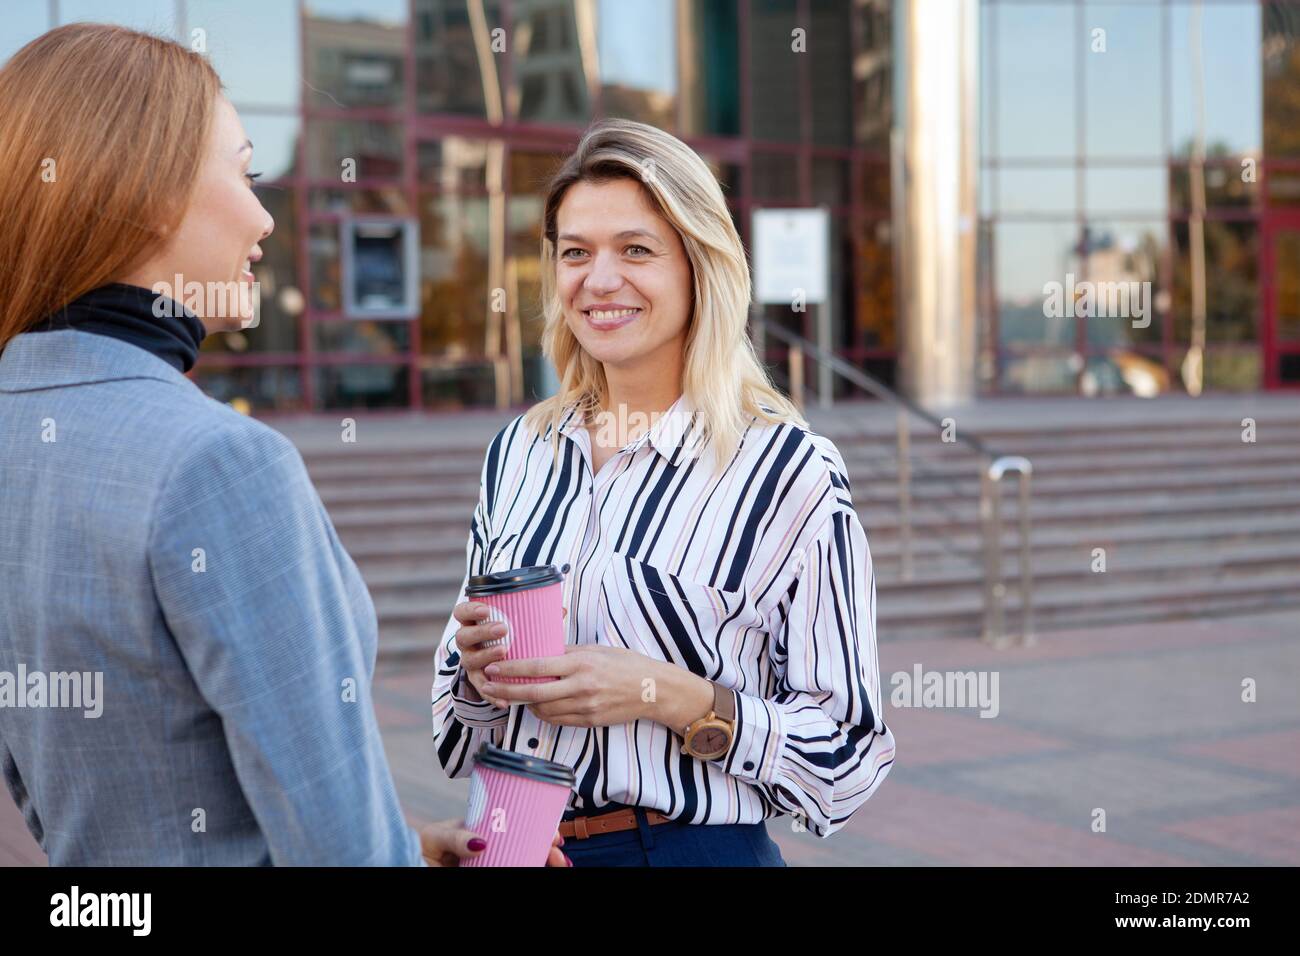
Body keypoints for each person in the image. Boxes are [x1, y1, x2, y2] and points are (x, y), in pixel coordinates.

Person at [0, 23, 566, 868]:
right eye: (245, 171)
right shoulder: (220, 465)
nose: (265, 215)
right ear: (148, 191)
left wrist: (405, 847)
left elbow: (54, 795)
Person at [433, 118, 896, 866]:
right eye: (576, 252)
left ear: (699, 267)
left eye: (637, 250)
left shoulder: (786, 471)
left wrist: (664, 693)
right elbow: (452, 728)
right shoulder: (521, 451)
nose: (600, 279)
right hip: (516, 843)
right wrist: (477, 669)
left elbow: (847, 758)